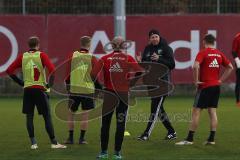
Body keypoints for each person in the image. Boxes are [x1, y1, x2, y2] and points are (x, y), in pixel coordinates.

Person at [6, 36, 66, 149]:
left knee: (29, 116)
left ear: (29, 45)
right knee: (46, 116)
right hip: (39, 89)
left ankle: (33, 143)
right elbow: (52, 70)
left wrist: (21, 83)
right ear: (38, 45)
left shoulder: (23, 56)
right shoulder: (41, 55)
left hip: (27, 90)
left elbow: (9, 70)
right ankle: (54, 143)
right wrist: (49, 85)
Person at [175, 34, 233, 145]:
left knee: (196, 112)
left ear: (204, 41)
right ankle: (211, 139)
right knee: (212, 112)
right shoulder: (219, 54)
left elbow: (195, 66)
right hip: (216, 86)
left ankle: (189, 139)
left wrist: (196, 80)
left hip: (205, 87)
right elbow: (230, 67)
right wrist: (221, 80)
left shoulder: (203, 52)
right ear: (214, 42)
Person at [96, 36, 142, 160]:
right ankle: (117, 153)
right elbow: (140, 72)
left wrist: (100, 88)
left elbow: (92, 75)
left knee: (105, 124)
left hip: (109, 94)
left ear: (111, 45)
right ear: (123, 46)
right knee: (120, 123)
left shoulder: (104, 58)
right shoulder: (128, 58)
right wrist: (130, 84)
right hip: (123, 94)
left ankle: (104, 152)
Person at [137, 29, 177, 141]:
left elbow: (172, 64)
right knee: (159, 110)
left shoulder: (166, 48)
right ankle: (172, 131)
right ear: (149, 38)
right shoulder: (147, 49)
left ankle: (146, 134)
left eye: (156, 36)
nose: (154, 39)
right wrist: (140, 62)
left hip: (163, 84)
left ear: (159, 37)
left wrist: (159, 58)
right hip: (151, 83)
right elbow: (146, 66)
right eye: (152, 37)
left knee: (154, 109)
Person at [64, 36, 99, 144]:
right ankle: (82, 139)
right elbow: (95, 76)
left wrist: (68, 86)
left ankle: (70, 138)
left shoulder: (72, 55)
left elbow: (67, 73)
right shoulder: (92, 57)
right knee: (85, 115)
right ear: (89, 44)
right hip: (87, 90)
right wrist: (98, 88)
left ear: (80, 43)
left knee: (71, 114)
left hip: (74, 89)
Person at [231, 33, 240, 106]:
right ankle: (238, 101)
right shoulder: (237, 37)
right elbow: (233, 51)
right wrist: (238, 62)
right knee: (239, 82)